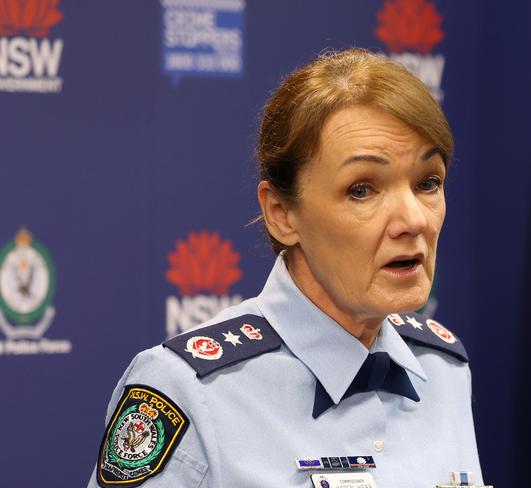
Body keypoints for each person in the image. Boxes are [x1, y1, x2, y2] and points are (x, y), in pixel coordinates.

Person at [88, 48, 484, 488]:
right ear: (281, 213)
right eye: (362, 190)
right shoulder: (187, 393)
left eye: (428, 182)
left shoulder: (444, 370)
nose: (414, 219)